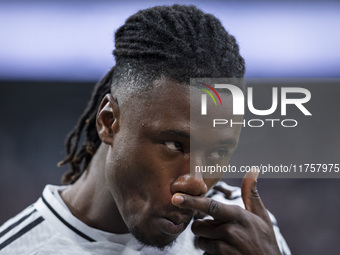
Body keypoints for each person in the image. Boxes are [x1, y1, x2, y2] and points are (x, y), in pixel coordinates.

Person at [0, 4, 290, 255]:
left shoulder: (248, 232)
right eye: (174, 145)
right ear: (108, 122)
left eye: (218, 152)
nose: (196, 184)